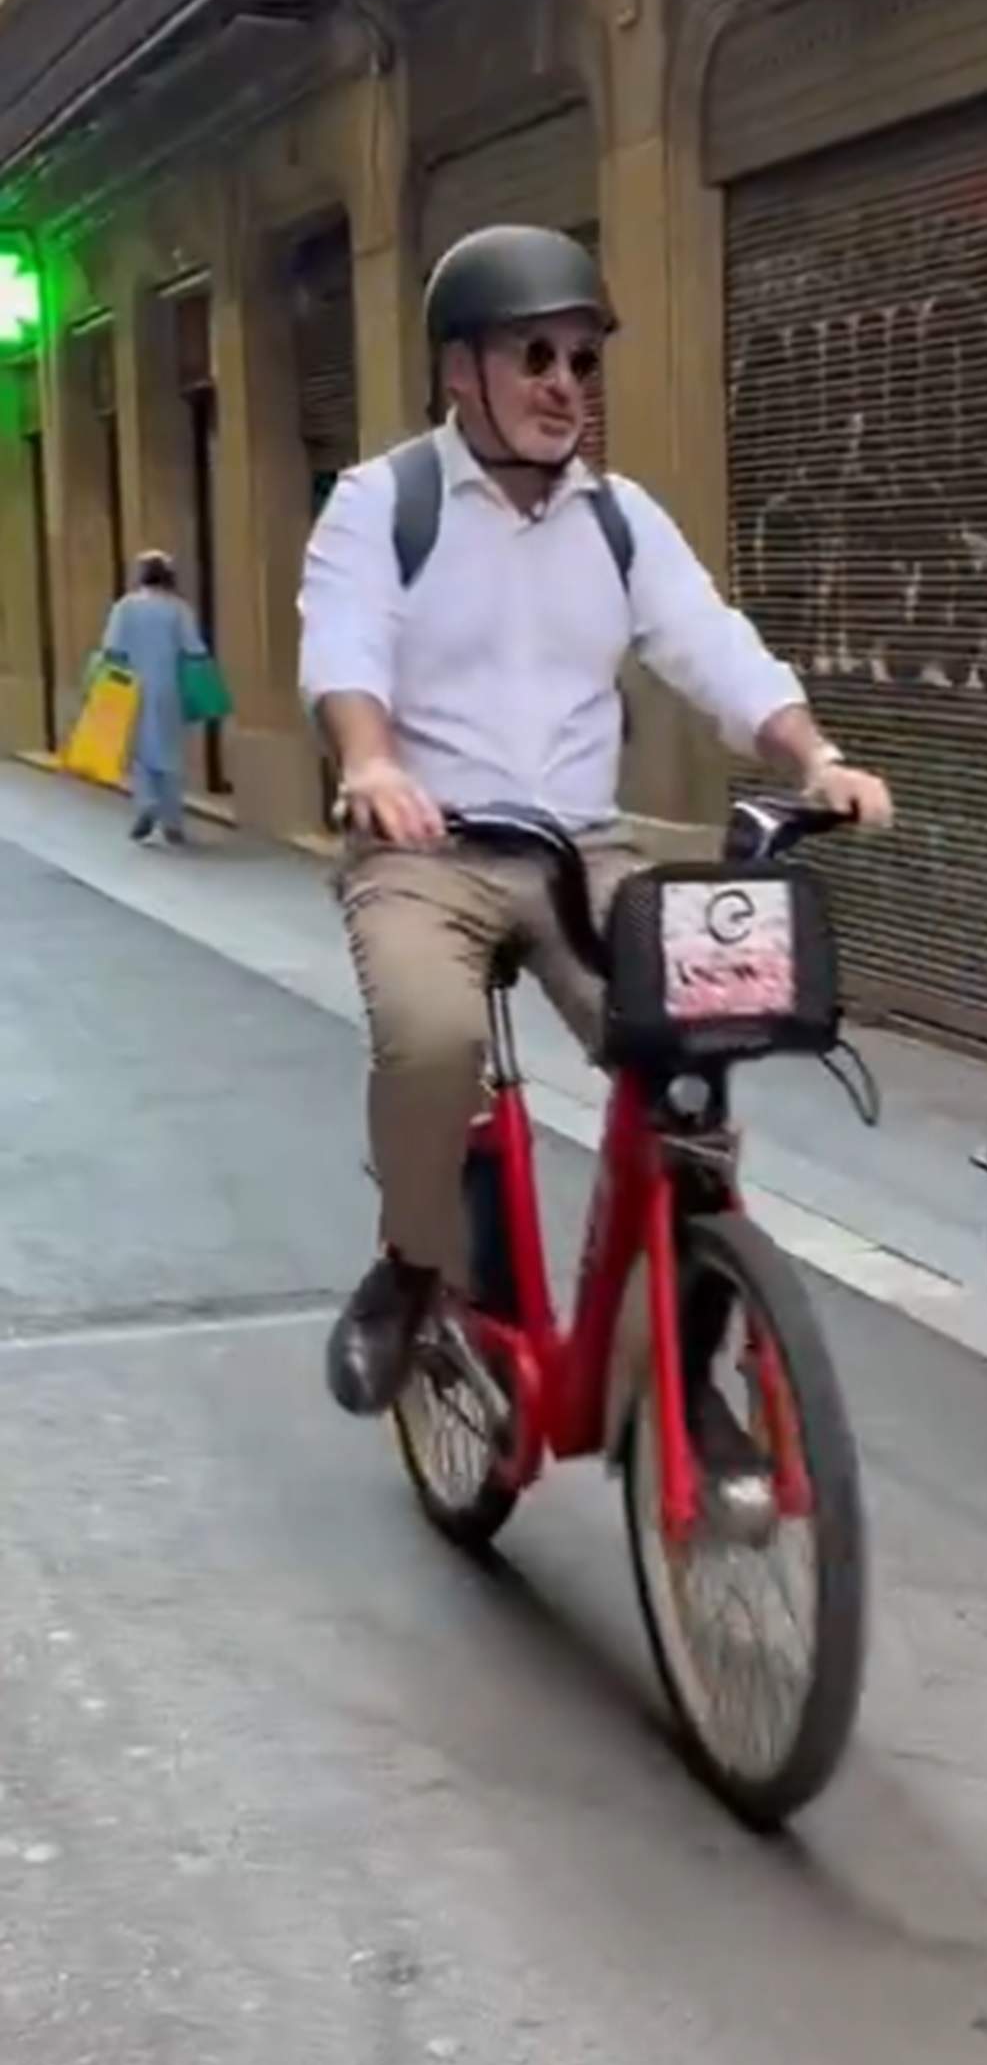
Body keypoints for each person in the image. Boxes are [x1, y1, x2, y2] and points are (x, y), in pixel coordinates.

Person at [298, 224, 893, 1417]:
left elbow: (715, 646)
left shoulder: (620, 519)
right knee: (430, 1039)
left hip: (584, 848)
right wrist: (369, 761)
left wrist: (814, 752)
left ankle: (685, 1351)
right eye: (536, 357)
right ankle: (414, 1265)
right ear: (461, 369)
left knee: (699, 1056)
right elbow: (344, 644)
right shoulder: (385, 502)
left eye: (582, 361)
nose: (565, 387)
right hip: (426, 851)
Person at [101, 550, 210, 847]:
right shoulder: (178, 609)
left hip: (131, 686)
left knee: (140, 750)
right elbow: (194, 648)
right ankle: (173, 820)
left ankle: (146, 803)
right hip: (169, 687)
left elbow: (112, 648)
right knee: (170, 752)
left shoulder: (125, 607)